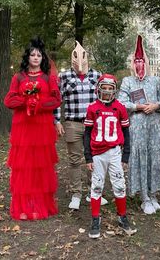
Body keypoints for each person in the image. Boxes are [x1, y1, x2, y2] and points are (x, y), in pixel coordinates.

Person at [4, 37, 61, 220]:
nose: (35, 58)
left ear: (42, 58)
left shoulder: (47, 77)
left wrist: (39, 103)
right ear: (27, 57)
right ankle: (25, 205)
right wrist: (26, 101)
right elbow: (9, 100)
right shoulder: (19, 77)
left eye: (39, 55)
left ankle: (40, 204)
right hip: (24, 129)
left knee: (40, 166)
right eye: (32, 54)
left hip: (42, 128)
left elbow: (56, 100)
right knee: (25, 166)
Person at [118, 35, 160, 215]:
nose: (139, 64)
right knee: (141, 158)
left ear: (147, 62)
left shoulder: (155, 80)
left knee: (154, 158)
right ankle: (144, 197)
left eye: (142, 60)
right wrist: (138, 106)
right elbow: (121, 102)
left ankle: (153, 193)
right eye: (136, 61)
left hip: (155, 128)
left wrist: (156, 105)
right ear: (132, 63)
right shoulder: (128, 81)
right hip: (138, 128)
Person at [54, 41, 107, 210]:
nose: (79, 63)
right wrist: (56, 120)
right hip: (73, 124)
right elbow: (56, 100)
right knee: (75, 160)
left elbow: (105, 100)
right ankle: (76, 193)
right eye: (75, 58)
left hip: (93, 124)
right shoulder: (64, 77)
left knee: (95, 159)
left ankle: (94, 193)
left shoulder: (97, 76)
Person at [83, 74, 137, 238]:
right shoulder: (92, 107)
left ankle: (122, 217)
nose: (106, 92)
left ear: (114, 90)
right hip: (98, 154)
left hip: (114, 152)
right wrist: (88, 157)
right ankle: (95, 219)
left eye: (110, 89)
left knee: (119, 185)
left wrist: (125, 156)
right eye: (104, 88)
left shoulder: (120, 107)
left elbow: (126, 133)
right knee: (97, 186)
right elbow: (87, 134)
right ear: (98, 89)